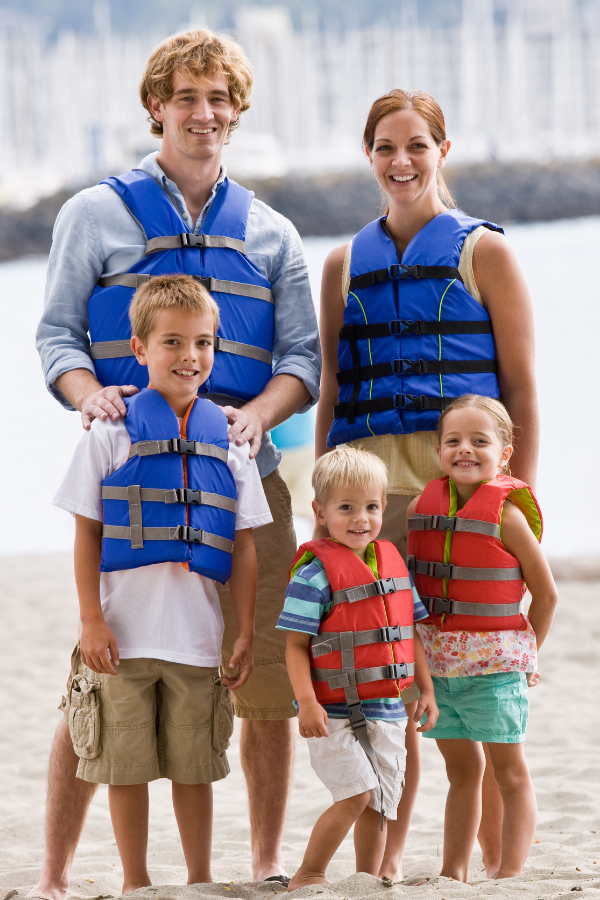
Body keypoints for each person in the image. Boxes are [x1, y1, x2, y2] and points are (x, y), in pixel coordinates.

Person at [33, 29, 320, 898]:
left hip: (242, 478)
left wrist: (253, 421)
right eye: (186, 98)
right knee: (97, 678)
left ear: (236, 112)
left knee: (260, 670)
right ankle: (51, 875)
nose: (203, 115)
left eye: (218, 100)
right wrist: (88, 396)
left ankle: (264, 860)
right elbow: (56, 336)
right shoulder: (94, 213)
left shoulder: (271, 233)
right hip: (131, 475)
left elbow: (301, 360)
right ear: (156, 106)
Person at [315, 89, 539, 880]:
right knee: (393, 678)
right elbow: (336, 397)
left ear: (443, 149)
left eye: (416, 145)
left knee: (463, 681)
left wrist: (515, 508)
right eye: (384, 147)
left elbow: (521, 390)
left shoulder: (487, 253)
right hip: (374, 504)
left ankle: (491, 864)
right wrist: (321, 501)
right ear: (368, 155)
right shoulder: (343, 262)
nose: (401, 162)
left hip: (456, 499)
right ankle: (393, 860)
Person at [52, 274, 271, 892]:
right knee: (124, 767)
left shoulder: (230, 442)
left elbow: (246, 544)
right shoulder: (109, 433)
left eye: (202, 343)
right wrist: (91, 621)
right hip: (122, 637)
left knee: (193, 767)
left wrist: (245, 631)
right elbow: (87, 533)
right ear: (140, 349)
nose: (189, 357)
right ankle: (136, 882)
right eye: (172, 343)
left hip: (197, 638)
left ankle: (199, 879)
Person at [407, 394, 557, 881]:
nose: (464, 450)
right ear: (438, 451)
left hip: (496, 669)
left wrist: (527, 655)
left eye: (479, 441)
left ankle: (508, 876)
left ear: (505, 452)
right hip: (441, 671)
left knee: (508, 773)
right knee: (460, 773)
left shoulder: (507, 516)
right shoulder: (419, 508)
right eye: (453, 441)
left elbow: (547, 595)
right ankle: (454, 872)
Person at [277, 448, 438, 890]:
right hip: (331, 711)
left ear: (384, 507)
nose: (360, 518)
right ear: (320, 511)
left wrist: (424, 691)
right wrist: (306, 703)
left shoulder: (395, 566)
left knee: (381, 801)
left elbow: (409, 635)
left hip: (387, 705)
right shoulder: (313, 576)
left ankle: (367, 880)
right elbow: (294, 645)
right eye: (345, 507)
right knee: (356, 793)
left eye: (370, 506)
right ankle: (309, 873)